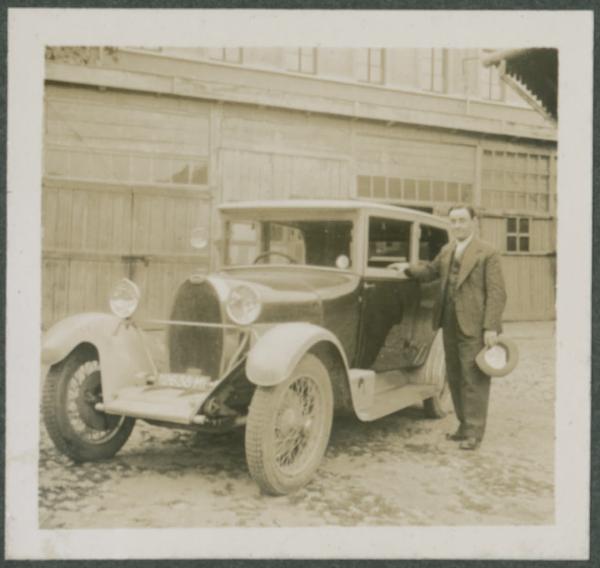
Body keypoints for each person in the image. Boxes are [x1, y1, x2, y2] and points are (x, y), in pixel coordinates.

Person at [406, 205, 507, 450]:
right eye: (453, 221)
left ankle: (474, 432)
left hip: (475, 325)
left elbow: (497, 293)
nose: (457, 225)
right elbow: (430, 271)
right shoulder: (447, 249)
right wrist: (407, 269)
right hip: (449, 322)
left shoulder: (487, 252)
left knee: (474, 378)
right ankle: (463, 427)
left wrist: (491, 327)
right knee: (455, 375)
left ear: (474, 221)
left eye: (462, 220)